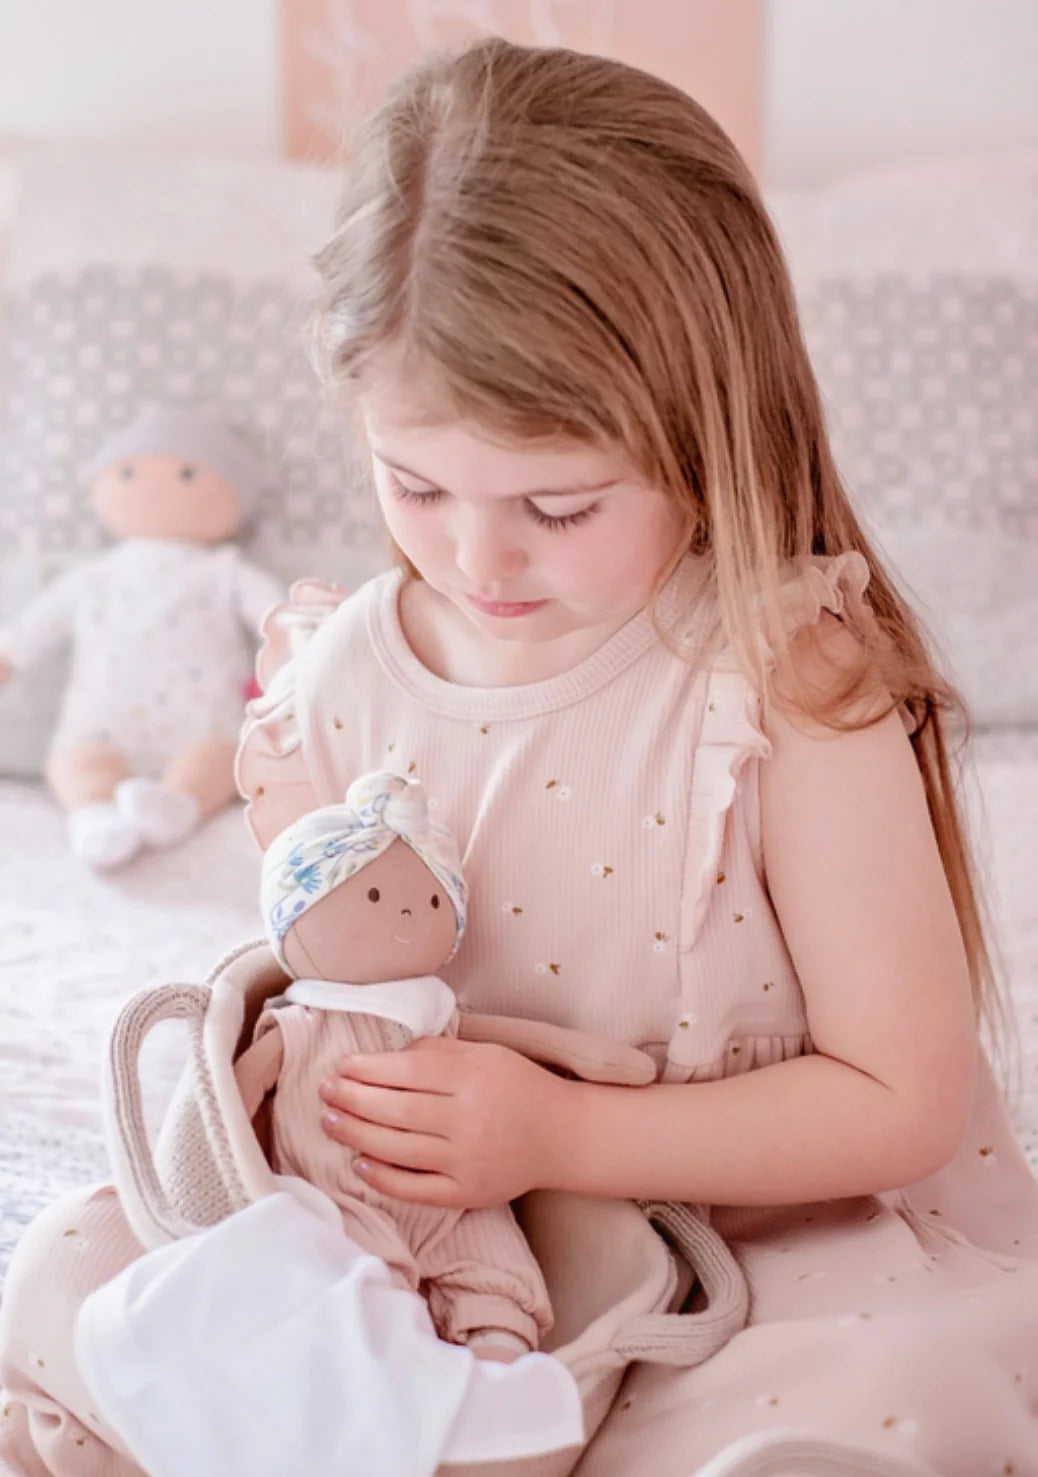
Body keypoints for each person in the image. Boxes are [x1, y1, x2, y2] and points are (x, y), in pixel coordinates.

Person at [2, 35, 1037, 1477]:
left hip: (743, 1235)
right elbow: (348, 965)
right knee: (72, 1273)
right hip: (431, 1245)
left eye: (558, 505)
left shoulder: (784, 680)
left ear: (701, 429)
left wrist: (558, 1133)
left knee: (868, 1403)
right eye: (415, 482)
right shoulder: (340, 662)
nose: (476, 555)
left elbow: (899, 1097)